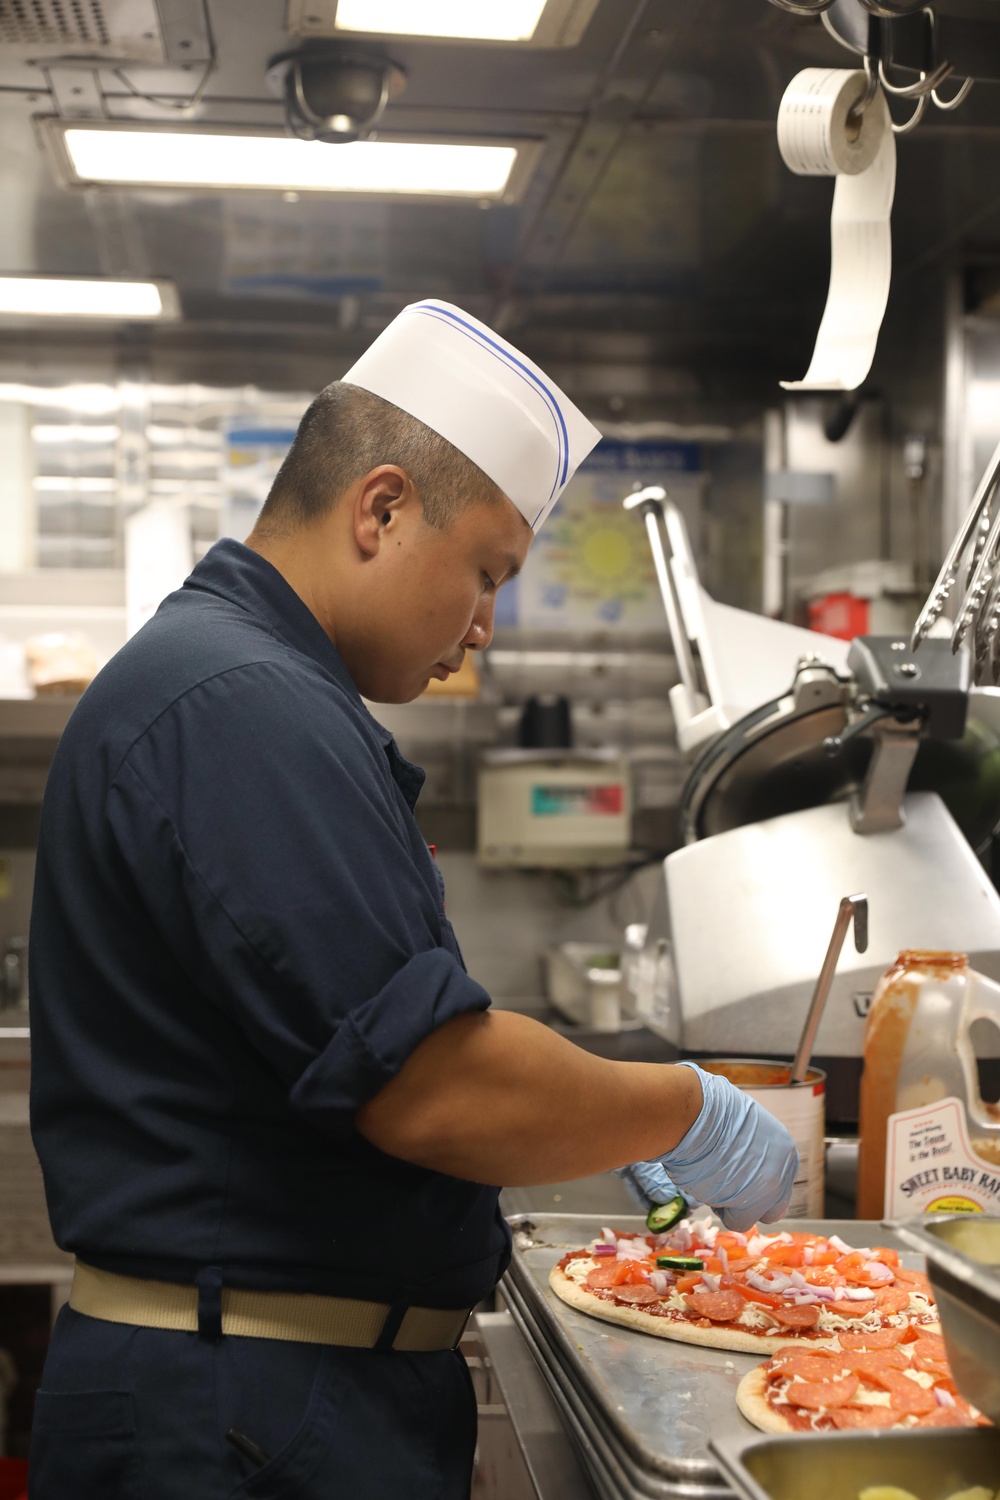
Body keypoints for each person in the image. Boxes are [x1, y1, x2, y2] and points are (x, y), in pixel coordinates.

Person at [27, 300, 797, 1500]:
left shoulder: (255, 686)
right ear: (381, 509)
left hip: (268, 1399)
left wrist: (595, 1124)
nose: (484, 627)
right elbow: (431, 1086)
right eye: (487, 572)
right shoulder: (241, 702)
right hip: (237, 1415)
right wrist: (678, 1111)